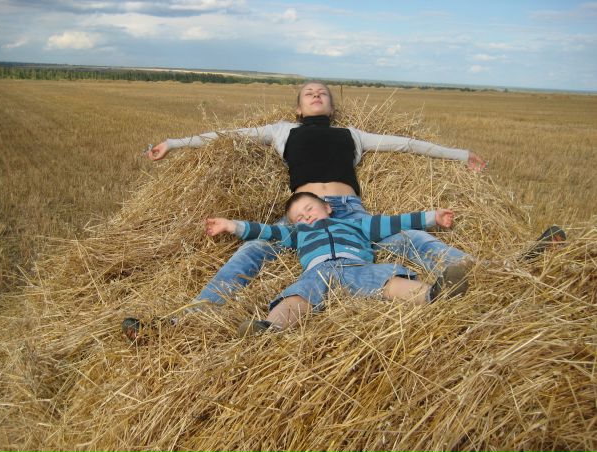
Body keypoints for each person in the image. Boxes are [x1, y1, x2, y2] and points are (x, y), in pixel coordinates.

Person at [145, 81, 484, 310]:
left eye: (323, 92)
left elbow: (407, 144)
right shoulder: (281, 131)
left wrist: (461, 155)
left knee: (413, 236)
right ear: (298, 108)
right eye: (309, 92)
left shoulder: (351, 134)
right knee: (252, 248)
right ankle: (199, 311)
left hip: (350, 213)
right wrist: (173, 143)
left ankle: (476, 272)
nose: (316, 94)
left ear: (332, 108)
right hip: (302, 216)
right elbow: (227, 134)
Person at [205, 192, 465, 336]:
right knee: (296, 298)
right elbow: (265, 231)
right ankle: (269, 329)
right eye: (299, 217)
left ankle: (435, 293)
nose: (306, 216)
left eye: (310, 209)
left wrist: (432, 217)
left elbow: (394, 222)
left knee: (389, 282)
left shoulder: (357, 224)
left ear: (328, 208)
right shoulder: (296, 234)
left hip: (356, 266)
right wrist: (231, 225)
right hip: (317, 272)